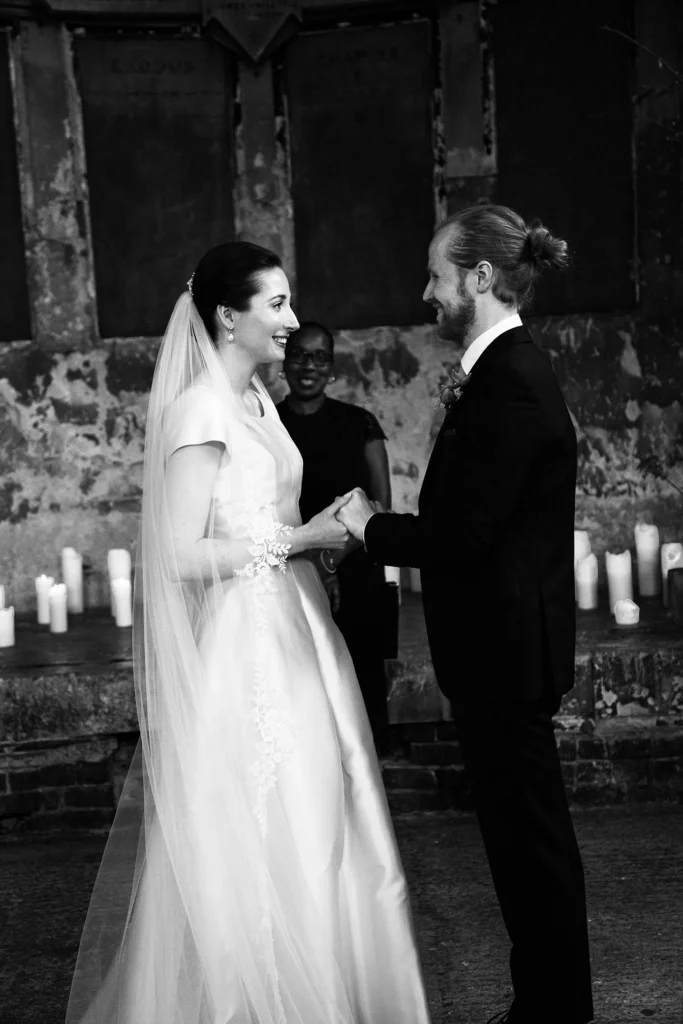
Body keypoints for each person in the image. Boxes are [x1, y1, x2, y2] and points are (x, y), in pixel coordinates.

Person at [65, 242, 432, 1024]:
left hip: (299, 624)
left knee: (324, 814)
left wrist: (318, 536)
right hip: (249, 644)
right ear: (228, 317)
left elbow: (266, 513)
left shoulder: (258, 402)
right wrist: (300, 542)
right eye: (276, 305)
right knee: (270, 818)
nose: (291, 321)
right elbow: (178, 555)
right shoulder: (197, 410)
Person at [338, 205, 594, 1024]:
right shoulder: (500, 372)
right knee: (524, 844)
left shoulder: (511, 381)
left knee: (531, 848)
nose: (426, 292)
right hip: (502, 650)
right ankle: (548, 1002)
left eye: (436, 276)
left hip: (507, 655)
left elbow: (463, 533)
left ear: (479, 278)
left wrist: (366, 527)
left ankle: (553, 1010)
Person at [276, 322, 392, 753]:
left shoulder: (360, 424)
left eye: (320, 356)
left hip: (355, 569)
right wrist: (307, 562)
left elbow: (380, 505)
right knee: (302, 683)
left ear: (333, 368)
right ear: (284, 363)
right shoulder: (267, 427)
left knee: (360, 677)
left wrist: (330, 563)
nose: (309, 365)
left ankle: (367, 784)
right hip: (290, 572)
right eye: (299, 355)